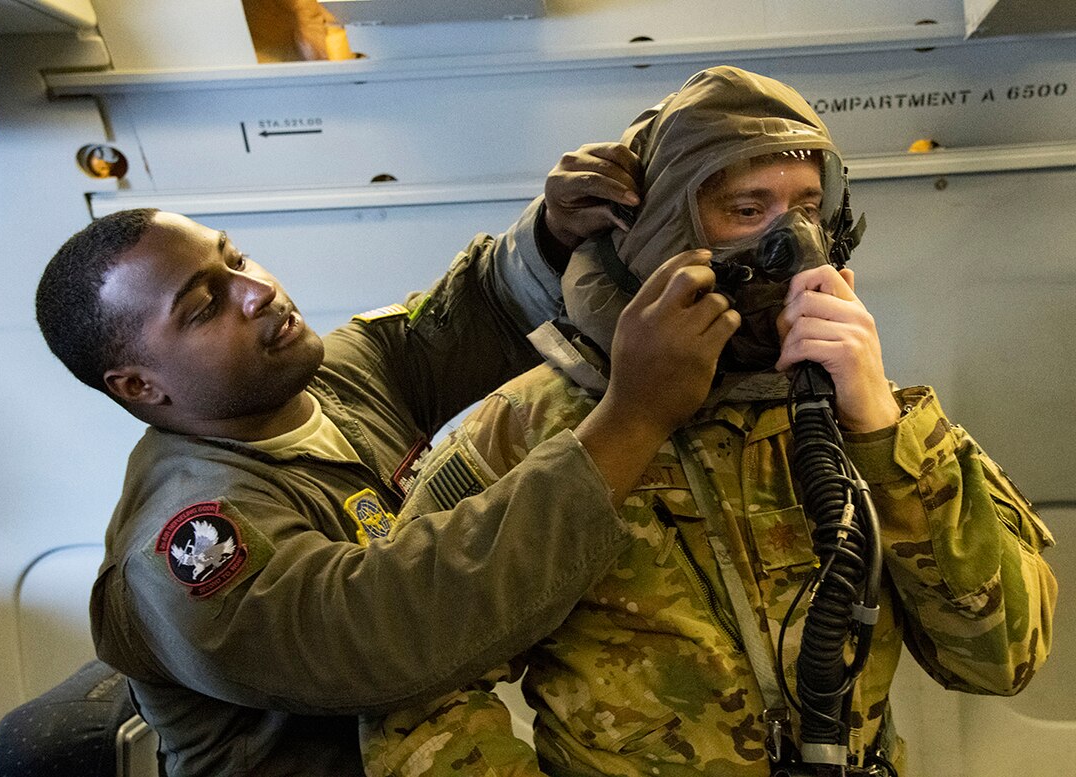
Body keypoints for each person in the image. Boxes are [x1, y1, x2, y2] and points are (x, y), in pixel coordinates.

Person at [359, 66, 1058, 777]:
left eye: (808, 209)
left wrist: (880, 425)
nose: (794, 244)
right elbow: (410, 681)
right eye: (747, 210)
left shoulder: (871, 412)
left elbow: (1004, 660)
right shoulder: (530, 425)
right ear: (665, 233)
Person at [32, 144, 736, 777]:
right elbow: (394, 628)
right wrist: (635, 415)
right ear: (139, 385)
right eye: (204, 305)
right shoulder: (191, 548)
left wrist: (556, 232)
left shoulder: (334, 378)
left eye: (235, 258)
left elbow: (471, 317)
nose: (257, 290)